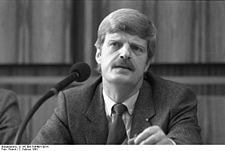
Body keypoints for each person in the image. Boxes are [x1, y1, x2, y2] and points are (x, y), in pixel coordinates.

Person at [32, 8, 202, 144]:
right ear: (99, 54)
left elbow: (189, 143)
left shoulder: (175, 99)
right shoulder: (72, 103)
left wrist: (169, 147)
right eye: (115, 44)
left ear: (147, 64)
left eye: (136, 48)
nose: (125, 54)